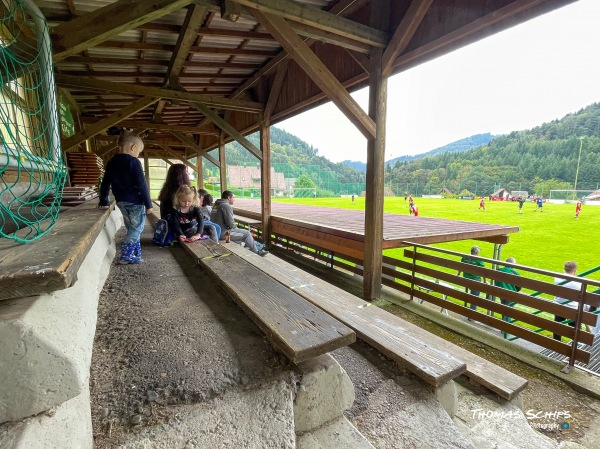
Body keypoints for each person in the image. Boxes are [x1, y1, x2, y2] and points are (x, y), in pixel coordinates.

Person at [99, 130, 152, 264]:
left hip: (121, 201)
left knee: (131, 227)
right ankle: (126, 255)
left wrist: (103, 200)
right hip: (136, 202)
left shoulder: (112, 162)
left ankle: (136, 253)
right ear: (133, 147)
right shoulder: (134, 162)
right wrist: (149, 204)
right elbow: (142, 184)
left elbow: (105, 183)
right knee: (137, 228)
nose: (137, 154)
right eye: (138, 151)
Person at [211, 190, 268, 256]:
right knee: (247, 233)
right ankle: (256, 252)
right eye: (233, 197)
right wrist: (237, 228)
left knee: (240, 236)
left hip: (216, 232)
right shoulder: (225, 206)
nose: (234, 199)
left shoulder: (216, 205)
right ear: (229, 198)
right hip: (223, 234)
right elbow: (230, 224)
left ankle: (250, 248)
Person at [553, 261, 584, 341]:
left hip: (558, 306)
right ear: (575, 270)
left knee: (557, 325)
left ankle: (557, 343)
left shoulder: (557, 278)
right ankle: (574, 345)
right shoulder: (578, 282)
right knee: (575, 327)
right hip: (573, 309)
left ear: (564, 268)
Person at [457, 245, 486, 312]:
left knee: (473, 294)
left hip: (465, 279)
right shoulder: (479, 260)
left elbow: (460, 266)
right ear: (476, 253)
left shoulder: (465, 257)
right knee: (475, 297)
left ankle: (469, 310)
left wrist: (458, 274)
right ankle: (471, 313)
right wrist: (484, 281)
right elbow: (483, 272)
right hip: (474, 280)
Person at [494, 257, 521, 322]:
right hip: (510, 294)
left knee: (504, 309)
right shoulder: (515, 273)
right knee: (508, 311)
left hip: (500, 293)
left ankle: (504, 326)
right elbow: (519, 286)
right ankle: (505, 328)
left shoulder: (499, 270)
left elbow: (496, 282)